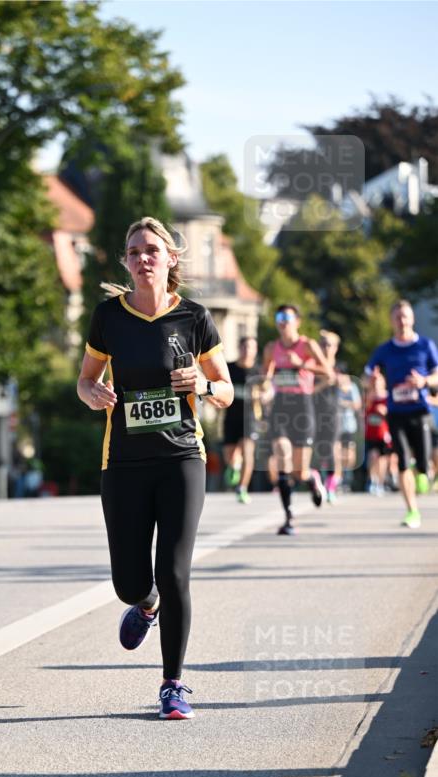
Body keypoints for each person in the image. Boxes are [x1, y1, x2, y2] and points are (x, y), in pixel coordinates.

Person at [77, 216, 233, 720]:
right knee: (129, 581)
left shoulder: (194, 318)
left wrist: (203, 388)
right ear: (125, 261)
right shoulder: (108, 317)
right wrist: (93, 392)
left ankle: (173, 684)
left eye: (151, 250)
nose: (143, 258)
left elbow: (227, 390)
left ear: (170, 259)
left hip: (182, 458)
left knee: (174, 571)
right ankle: (145, 605)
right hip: (122, 461)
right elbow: (84, 380)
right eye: (134, 251)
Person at [364, 299, 438, 527]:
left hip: (421, 411)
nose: (402, 321)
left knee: (424, 465)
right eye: (397, 317)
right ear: (391, 321)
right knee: (404, 462)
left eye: (405, 316)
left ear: (412, 319)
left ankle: (424, 474)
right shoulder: (384, 350)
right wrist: (372, 380)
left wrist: (424, 381)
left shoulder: (425, 345)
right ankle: (412, 511)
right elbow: (367, 375)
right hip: (396, 413)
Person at [262, 304, 334, 535]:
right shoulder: (271, 348)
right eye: (279, 317)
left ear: (297, 321)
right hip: (281, 405)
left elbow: (328, 373)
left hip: (302, 406)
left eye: (287, 317)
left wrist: (301, 363)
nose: (282, 321)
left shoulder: (308, 345)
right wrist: (264, 390)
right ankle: (288, 517)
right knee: (282, 455)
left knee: (299, 472)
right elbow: (266, 376)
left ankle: (311, 480)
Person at [222, 336, 259, 504]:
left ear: (255, 350)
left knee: (248, 452)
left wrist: (264, 395)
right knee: (230, 456)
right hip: (231, 417)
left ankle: (242, 488)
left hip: (250, 418)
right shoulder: (229, 368)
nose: (247, 350)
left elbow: (269, 390)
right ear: (239, 348)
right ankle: (234, 466)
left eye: (251, 347)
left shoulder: (258, 372)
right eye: (244, 347)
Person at [312, 330, 341, 502]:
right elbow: (307, 389)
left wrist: (340, 381)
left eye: (329, 344)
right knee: (314, 450)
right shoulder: (312, 366)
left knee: (330, 449)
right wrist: (324, 382)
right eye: (322, 344)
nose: (325, 347)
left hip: (332, 415)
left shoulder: (340, 367)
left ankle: (330, 487)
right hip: (312, 413)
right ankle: (317, 483)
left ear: (335, 348)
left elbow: (346, 386)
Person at [364, 370, 392, 496]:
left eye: (378, 380)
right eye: (374, 380)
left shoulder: (387, 396)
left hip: (383, 433)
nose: (376, 383)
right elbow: (364, 408)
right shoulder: (369, 396)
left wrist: (385, 411)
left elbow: (393, 412)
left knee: (382, 458)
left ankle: (380, 482)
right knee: (372, 456)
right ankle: (373, 481)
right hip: (371, 433)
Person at [336, 364, 362, 490]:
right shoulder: (333, 387)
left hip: (348, 424)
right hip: (334, 425)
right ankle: (337, 478)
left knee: (349, 452)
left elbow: (357, 405)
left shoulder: (352, 387)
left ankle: (347, 476)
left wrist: (343, 403)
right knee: (337, 452)